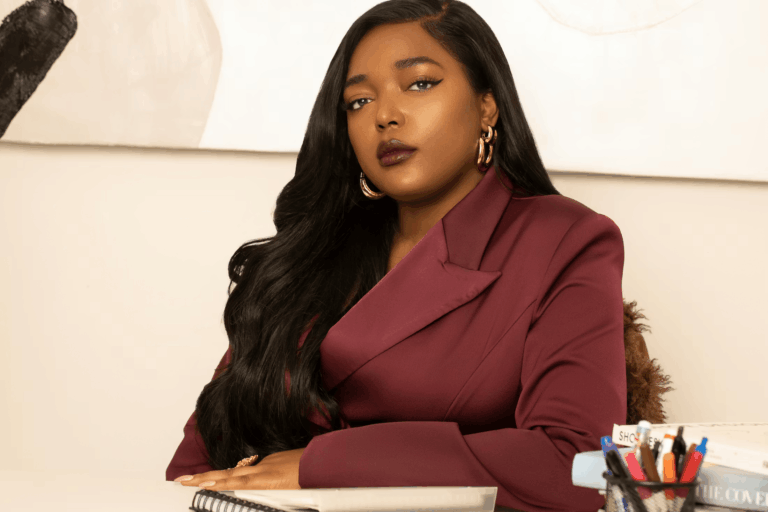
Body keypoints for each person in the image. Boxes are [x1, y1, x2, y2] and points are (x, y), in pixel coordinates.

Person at [166, 1, 627, 510]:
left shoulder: (565, 240)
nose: (384, 115)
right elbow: (199, 464)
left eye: (420, 84)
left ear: (486, 107)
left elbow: (578, 466)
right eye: (359, 101)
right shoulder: (310, 252)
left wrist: (329, 464)